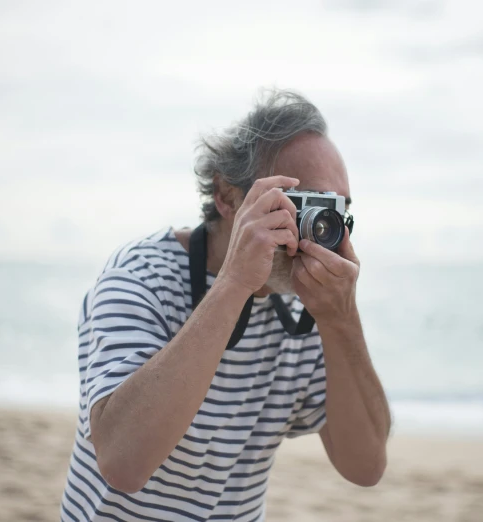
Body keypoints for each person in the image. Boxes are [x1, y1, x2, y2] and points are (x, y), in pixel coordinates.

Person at [60, 89, 391, 521]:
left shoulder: (304, 309)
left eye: (334, 211)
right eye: (299, 203)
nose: (315, 229)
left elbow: (365, 466)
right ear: (226, 196)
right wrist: (235, 284)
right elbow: (122, 462)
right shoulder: (141, 276)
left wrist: (341, 319)